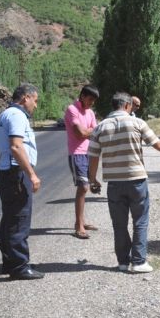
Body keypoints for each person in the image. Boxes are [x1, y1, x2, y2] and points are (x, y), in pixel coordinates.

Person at [87, 92, 160, 273]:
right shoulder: (137, 123)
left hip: (114, 184)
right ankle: (139, 262)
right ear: (127, 106)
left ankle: (123, 262)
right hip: (136, 181)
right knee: (140, 221)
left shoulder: (100, 127)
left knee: (119, 224)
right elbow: (158, 145)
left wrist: (92, 179)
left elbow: (93, 157)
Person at [0, 83, 43, 280]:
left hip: (7, 173)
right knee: (19, 220)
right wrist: (31, 174)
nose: (36, 105)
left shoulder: (4, 115)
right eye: (35, 100)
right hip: (16, 174)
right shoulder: (16, 116)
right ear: (25, 98)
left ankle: (10, 262)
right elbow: (16, 147)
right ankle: (19, 267)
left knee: (9, 219)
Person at [64, 85, 99, 239]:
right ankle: (78, 226)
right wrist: (89, 130)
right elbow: (80, 134)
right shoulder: (72, 109)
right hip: (77, 154)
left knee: (87, 186)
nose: (92, 103)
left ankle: (82, 222)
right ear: (83, 96)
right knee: (83, 187)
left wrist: (88, 131)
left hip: (89, 153)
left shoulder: (90, 112)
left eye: (94, 101)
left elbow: (95, 132)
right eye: (90, 99)